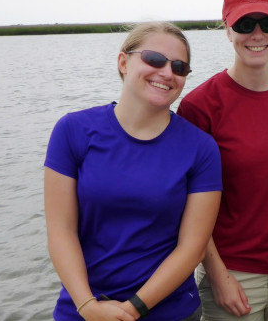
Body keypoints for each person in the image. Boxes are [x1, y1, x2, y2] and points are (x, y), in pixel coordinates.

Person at [44, 22, 222, 320]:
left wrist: (132, 309)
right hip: (83, 308)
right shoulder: (72, 130)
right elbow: (61, 231)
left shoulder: (201, 148)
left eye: (179, 67)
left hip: (170, 311)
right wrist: (87, 305)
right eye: (154, 59)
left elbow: (192, 247)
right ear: (123, 62)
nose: (166, 73)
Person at [176, 0, 268, 321]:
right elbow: (188, 204)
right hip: (231, 274)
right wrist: (218, 276)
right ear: (227, 29)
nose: (256, 35)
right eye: (243, 24)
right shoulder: (199, 105)